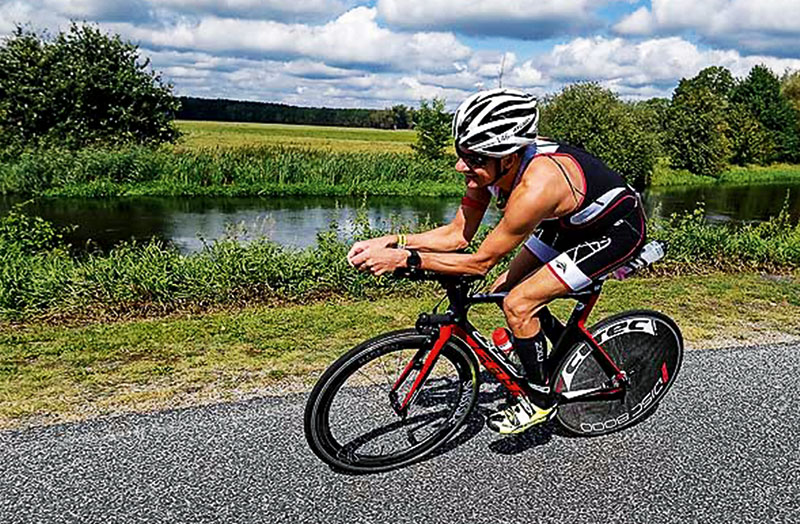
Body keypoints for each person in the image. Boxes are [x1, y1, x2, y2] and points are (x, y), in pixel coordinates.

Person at [346, 88, 646, 435]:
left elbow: (478, 262)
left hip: (615, 231)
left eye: (473, 159)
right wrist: (394, 240)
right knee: (504, 290)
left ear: (508, 157)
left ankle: (538, 401)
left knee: (519, 305)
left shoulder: (535, 188)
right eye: (462, 154)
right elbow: (457, 235)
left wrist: (404, 259)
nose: (462, 165)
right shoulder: (489, 167)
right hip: (567, 224)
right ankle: (559, 352)